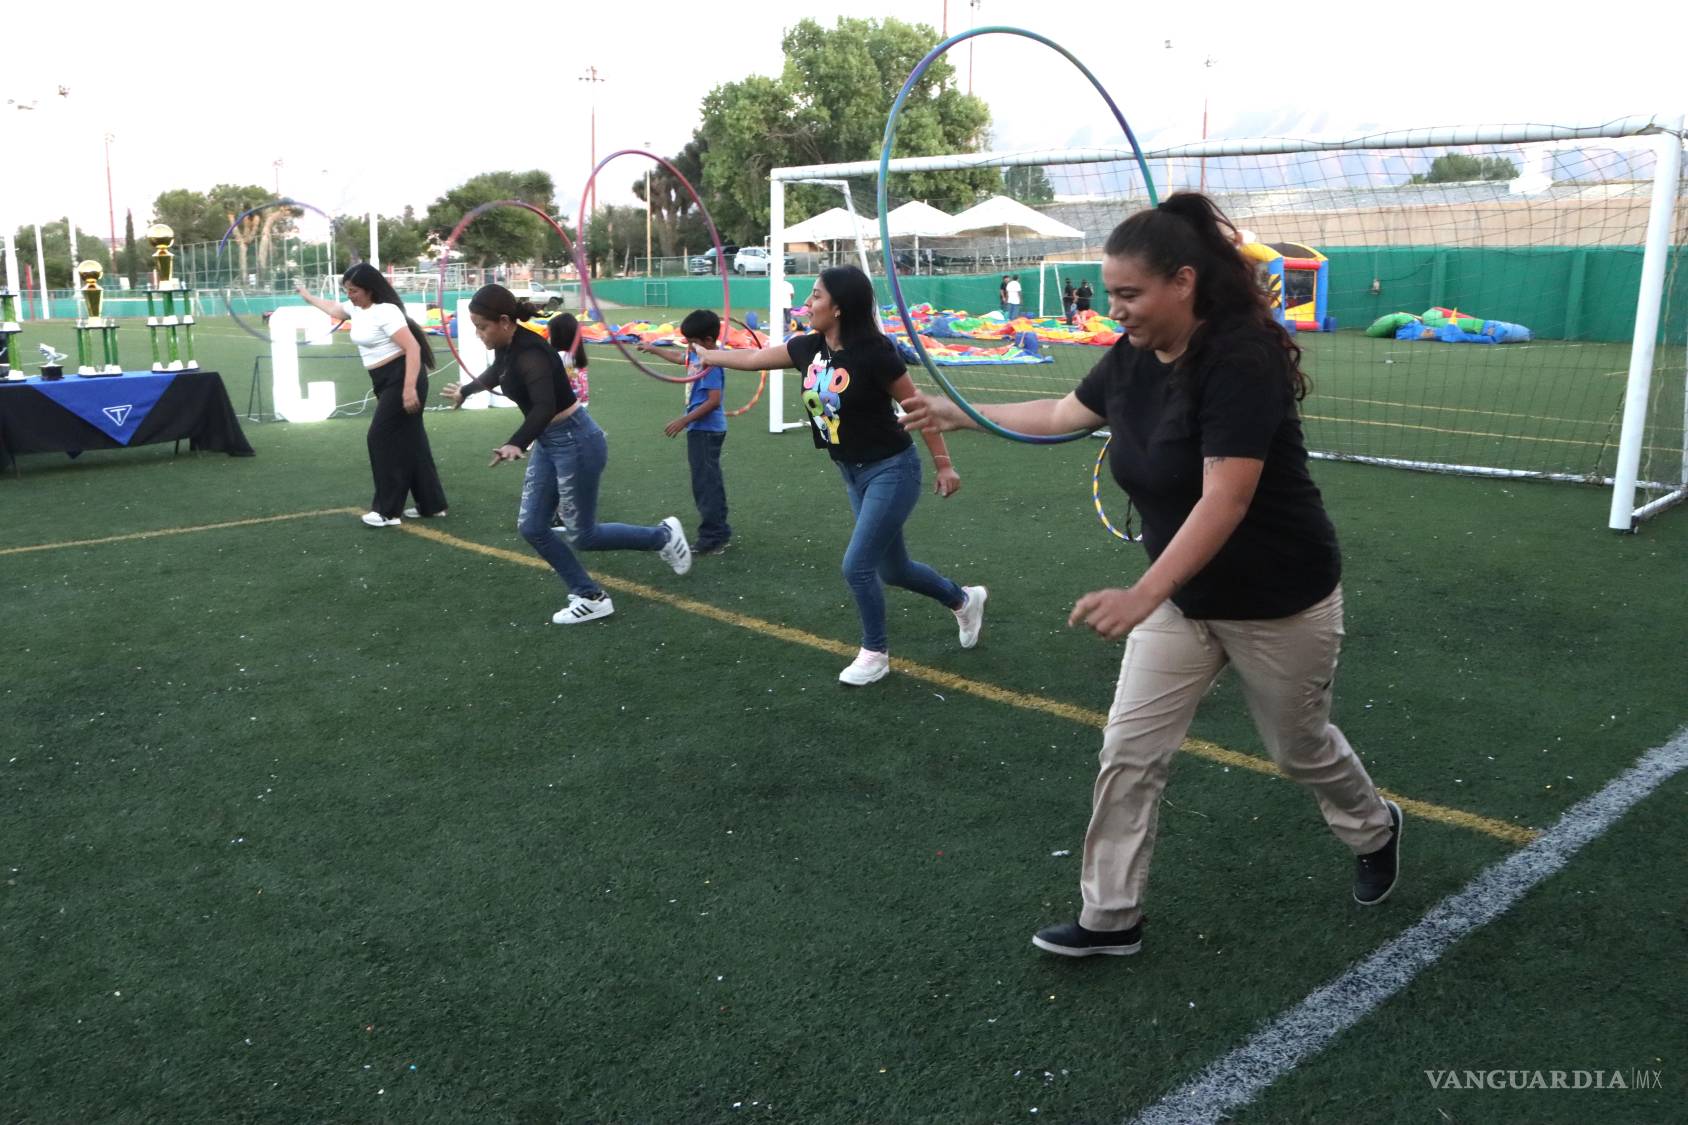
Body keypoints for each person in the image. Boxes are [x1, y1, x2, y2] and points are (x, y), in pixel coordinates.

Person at [901, 192, 1400, 957]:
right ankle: (1111, 916)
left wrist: (1142, 592)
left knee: (1297, 748)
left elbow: (1225, 499)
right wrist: (960, 410)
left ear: (1185, 282)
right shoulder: (1132, 355)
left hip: (1278, 601)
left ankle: (1374, 825)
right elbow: (1067, 412)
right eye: (1110, 295)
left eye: (1129, 294)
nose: (1116, 310)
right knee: (1129, 749)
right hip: (1184, 600)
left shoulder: (1241, 358)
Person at [694, 265, 986, 685]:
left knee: (857, 566)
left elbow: (916, 407)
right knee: (893, 569)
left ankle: (875, 653)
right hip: (851, 471)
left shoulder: (875, 353)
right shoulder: (808, 347)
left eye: (815, 296)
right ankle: (964, 600)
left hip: (892, 469)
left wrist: (944, 463)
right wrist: (710, 355)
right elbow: (756, 357)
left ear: (840, 307)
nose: (807, 304)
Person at [441, 284, 692, 625]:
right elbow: (497, 372)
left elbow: (544, 405)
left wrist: (517, 442)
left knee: (583, 535)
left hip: (575, 441)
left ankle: (663, 536)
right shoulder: (509, 345)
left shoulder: (532, 353)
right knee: (532, 526)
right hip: (550, 441)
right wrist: (466, 391)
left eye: (482, 327)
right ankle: (590, 596)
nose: (478, 333)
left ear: (503, 321)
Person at [294, 264, 447, 527]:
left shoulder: (385, 312)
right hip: (384, 380)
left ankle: (387, 511)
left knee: (381, 437)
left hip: (402, 377)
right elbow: (333, 308)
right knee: (413, 440)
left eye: (354, 291)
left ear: (370, 290)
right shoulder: (357, 308)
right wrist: (307, 295)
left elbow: (412, 348)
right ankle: (432, 505)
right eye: (347, 291)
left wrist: (409, 388)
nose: (350, 295)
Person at [636, 309, 732, 555]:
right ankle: (718, 533)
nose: (688, 347)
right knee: (709, 482)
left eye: (692, 342)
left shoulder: (711, 363)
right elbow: (680, 358)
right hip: (703, 429)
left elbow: (713, 401)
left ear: (708, 341)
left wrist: (684, 420)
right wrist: (653, 348)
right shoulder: (698, 355)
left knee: (706, 485)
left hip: (705, 430)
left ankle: (713, 538)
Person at [547, 312, 590, 405]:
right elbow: (571, 374)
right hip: (582, 404)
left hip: (569, 408)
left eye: (550, 334)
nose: (548, 338)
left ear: (558, 336)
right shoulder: (576, 355)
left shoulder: (562, 356)